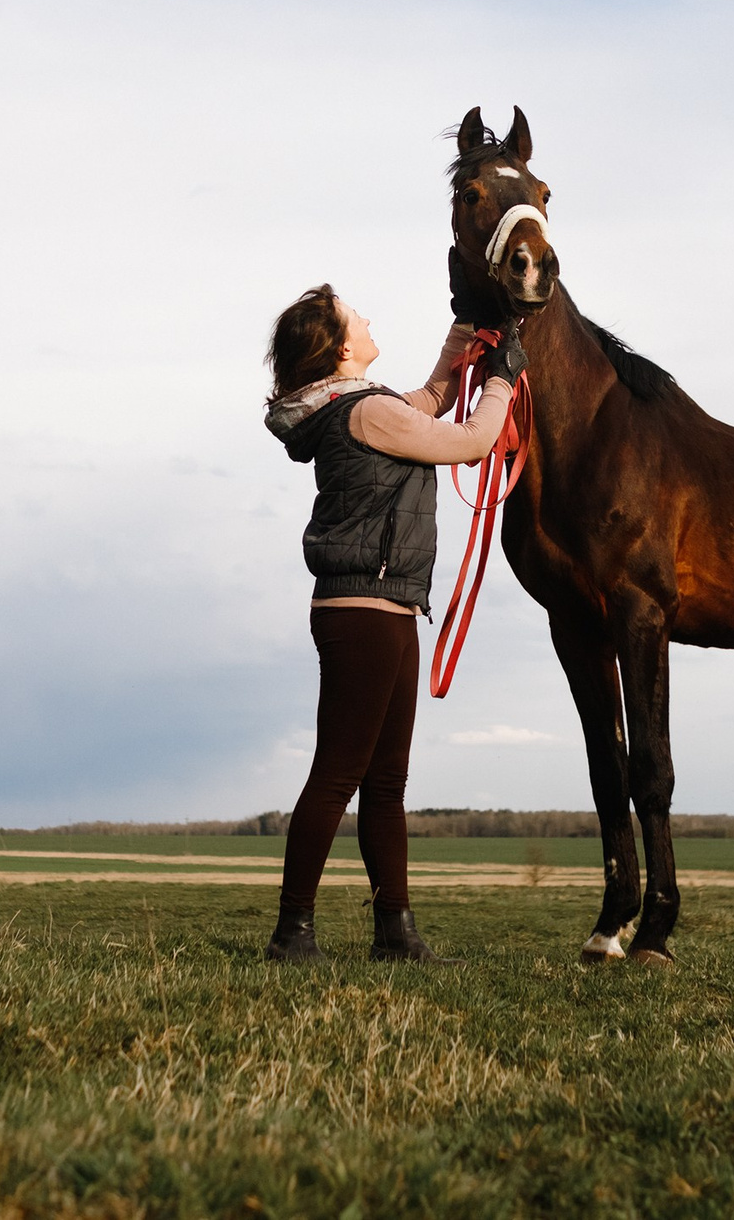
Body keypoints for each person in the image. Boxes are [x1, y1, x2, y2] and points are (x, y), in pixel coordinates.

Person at [260, 284, 525, 962]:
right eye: (356, 316)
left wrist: (466, 326)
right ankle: (292, 933)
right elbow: (471, 441)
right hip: (365, 613)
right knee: (337, 776)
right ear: (340, 347)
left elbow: (433, 396)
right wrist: (503, 380)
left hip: (387, 608)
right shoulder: (369, 412)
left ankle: (395, 934)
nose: (368, 318)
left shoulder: (363, 406)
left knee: (384, 782)